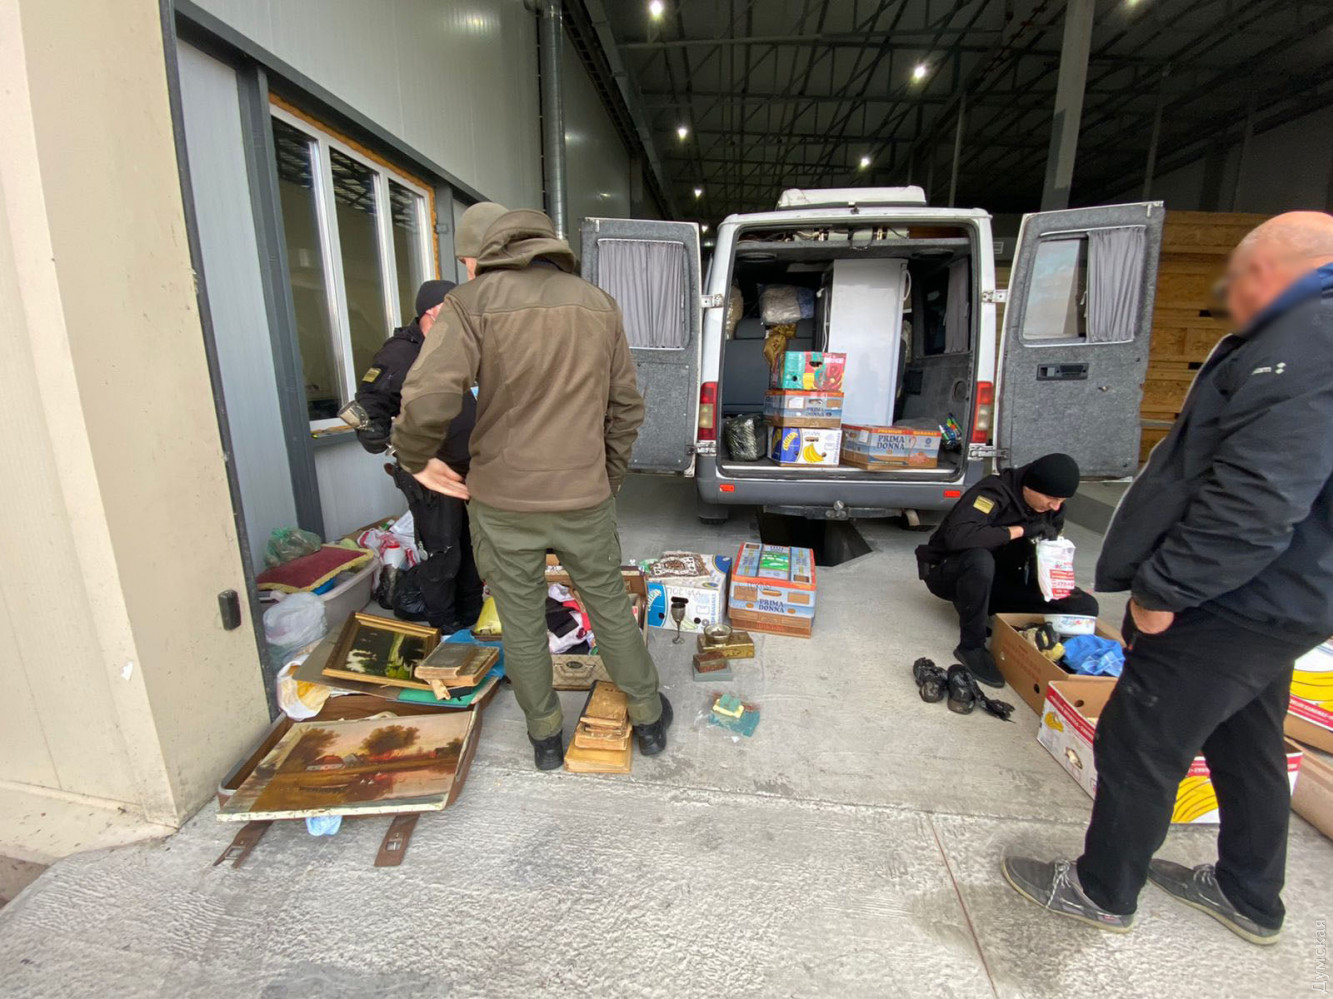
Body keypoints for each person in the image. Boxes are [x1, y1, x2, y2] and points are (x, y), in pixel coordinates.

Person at [1002, 211, 1333, 946]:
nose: (1228, 293)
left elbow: (1256, 498)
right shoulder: (1306, 333)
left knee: (1140, 738)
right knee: (1245, 737)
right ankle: (1249, 892)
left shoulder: (1307, 341)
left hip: (1234, 598)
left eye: (1239, 275)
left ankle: (1100, 889)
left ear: (1274, 271)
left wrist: (1165, 590)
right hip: (1285, 594)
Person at [391, 208, 670, 771]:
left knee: (519, 618)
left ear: (487, 253)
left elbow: (431, 395)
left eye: (467, 260)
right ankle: (646, 715)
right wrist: (607, 476)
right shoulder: (597, 303)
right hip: (582, 496)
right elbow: (625, 408)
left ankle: (544, 736)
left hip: (502, 499)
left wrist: (413, 454)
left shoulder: (472, 303)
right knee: (608, 606)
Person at [353, 279, 482, 633]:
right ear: (433, 313)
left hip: (469, 470)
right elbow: (369, 407)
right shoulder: (400, 354)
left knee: (473, 547)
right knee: (443, 552)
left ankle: (471, 619)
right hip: (430, 471)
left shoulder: (457, 349)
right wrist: (381, 436)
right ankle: (444, 628)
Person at [917, 453, 1098, 687]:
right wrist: (1020, 530)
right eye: (1051, 498)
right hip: (953, 572)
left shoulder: (1053, 509)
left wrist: (1057, 583)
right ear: (1029, 486)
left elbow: (1045, 558)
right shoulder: (992, 492)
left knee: (1084, 607)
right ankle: (971, 646)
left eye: (1061, 501)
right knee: (980, 559)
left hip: (1003, 580)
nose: (1055, 506)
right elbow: (959, 537)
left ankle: (1049, 646)